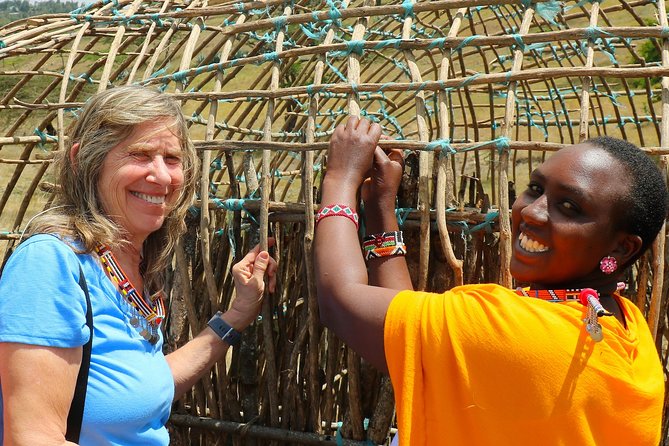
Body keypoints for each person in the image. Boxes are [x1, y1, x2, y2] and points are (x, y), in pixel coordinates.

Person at [314, 117, 667, 445]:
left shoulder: (515, 330)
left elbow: (339, 299)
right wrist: (379, 210)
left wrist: (340, 178)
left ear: (622, 247)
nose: (531, 211)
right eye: (534, 188)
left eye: (570, 207)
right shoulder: (623, 326)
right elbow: (406, 337)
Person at [0, 86, 277, 445]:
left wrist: (237, 314)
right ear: (85, 161)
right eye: (140, 155)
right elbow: (33, 436)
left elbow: (140, 385)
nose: (161, 177)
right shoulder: (51, 265)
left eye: (172, 159)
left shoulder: (129, 264)